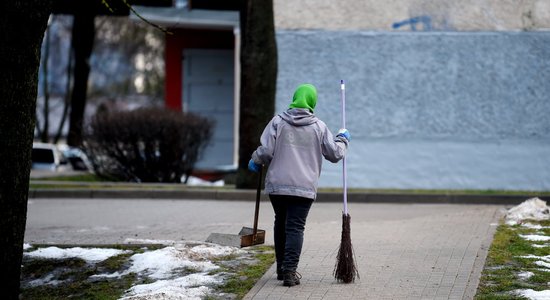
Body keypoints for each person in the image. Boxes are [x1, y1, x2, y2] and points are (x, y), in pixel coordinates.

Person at [248, 83, 350, 287]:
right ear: (312, 102)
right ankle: (289, 272)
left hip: (278, 186)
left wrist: (255, 160)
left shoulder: (278, 121)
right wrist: (343, 140)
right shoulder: (319, 126)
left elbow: (266, 151)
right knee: (295, 227)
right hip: (303, 188)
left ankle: (281, 268)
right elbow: (334, 154)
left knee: (281, 223)